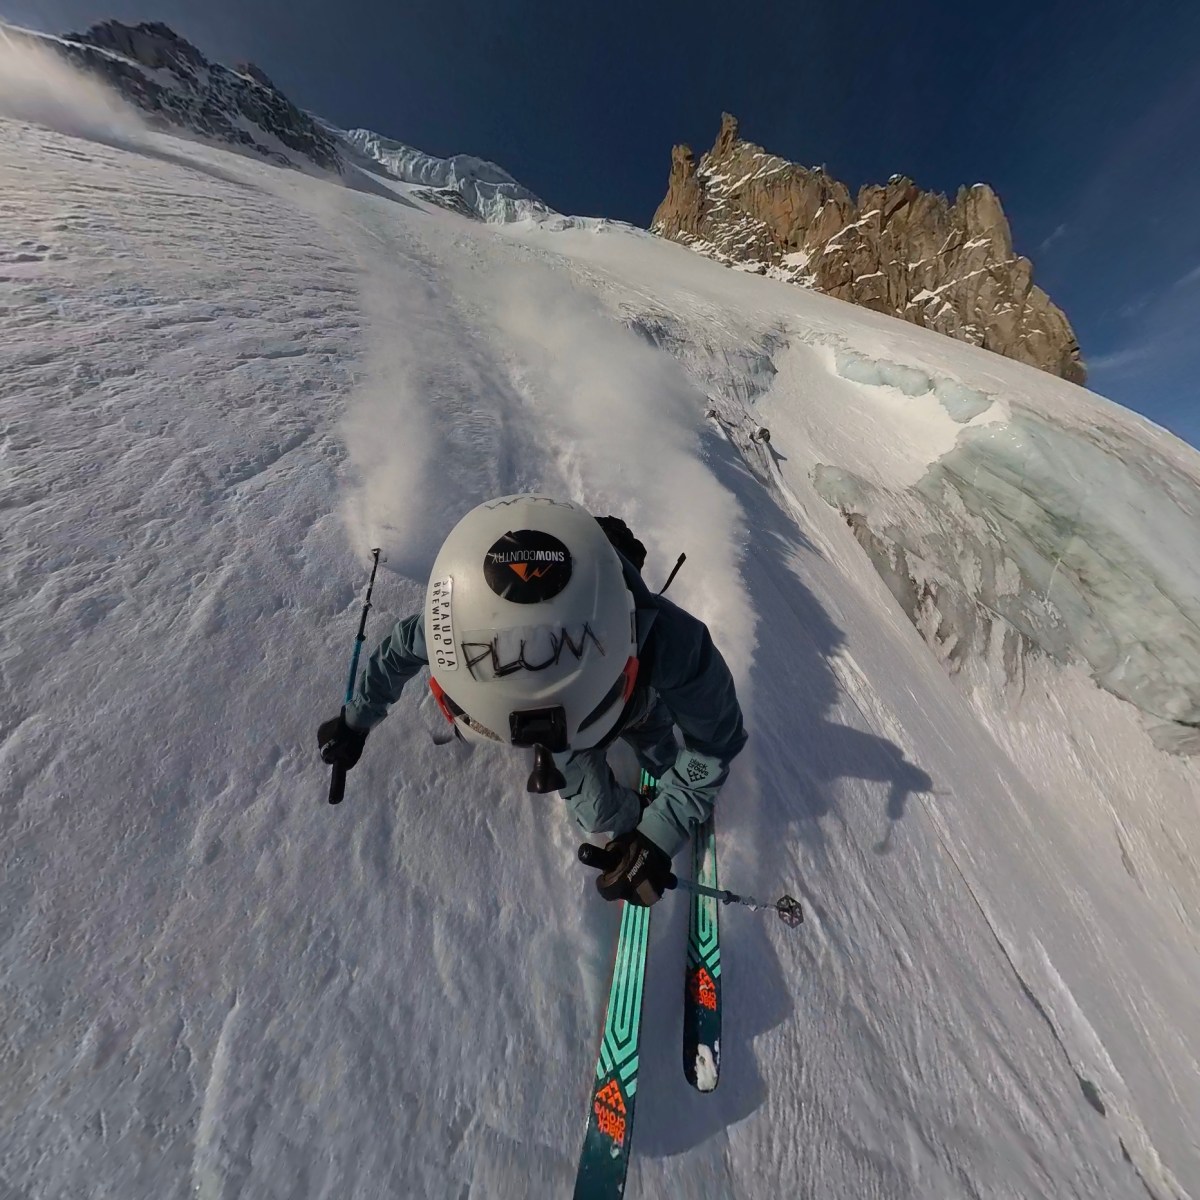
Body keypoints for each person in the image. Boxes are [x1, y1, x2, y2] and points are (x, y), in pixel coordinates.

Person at [318, 494, 746, 907]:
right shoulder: (454, 628)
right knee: (605, 809)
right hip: (621, 699)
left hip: (638, 703)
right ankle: (655, 783)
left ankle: (655, 776)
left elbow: (714, 743)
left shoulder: (669, 645)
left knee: (659, 760)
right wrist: (661, 827)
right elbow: (711, 742)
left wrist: (357, 720)